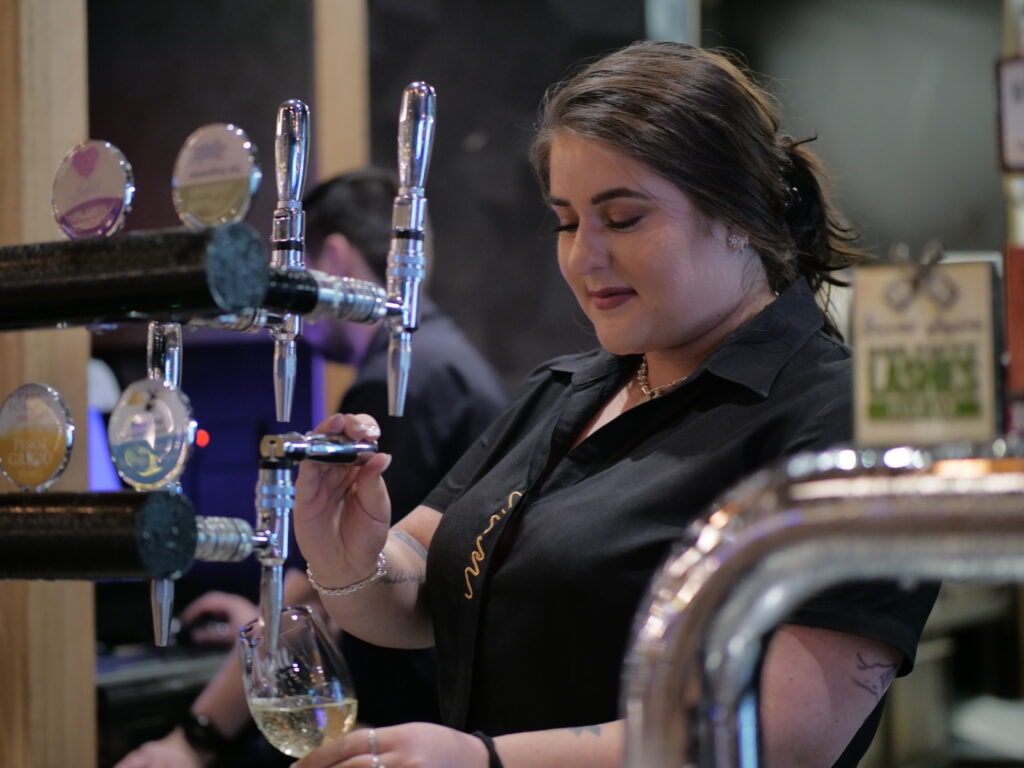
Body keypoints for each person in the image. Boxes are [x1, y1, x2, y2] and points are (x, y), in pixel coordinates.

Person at [288, 41, 938, 768]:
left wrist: (488, 762)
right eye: (567, 221)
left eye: (622, 219)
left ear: (740, 216)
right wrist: (345, 553)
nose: (581, 257)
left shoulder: (850, 418)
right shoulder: (566, 391)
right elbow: (416, 589)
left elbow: (783, 740)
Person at [112, 168, 507, 768]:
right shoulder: (448, 361)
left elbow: (334, 580)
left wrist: (192, 740)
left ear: (336, 259)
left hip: (404, 723)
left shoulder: (397, 385)